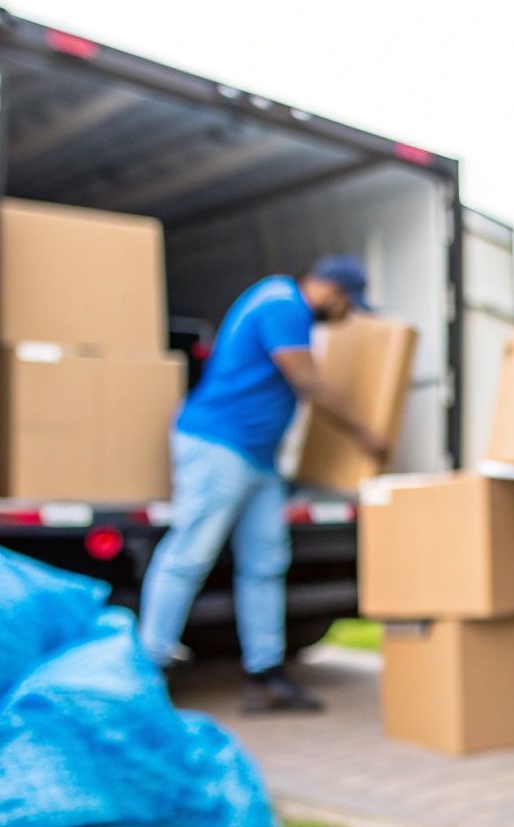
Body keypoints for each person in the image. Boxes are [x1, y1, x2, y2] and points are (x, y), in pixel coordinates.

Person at [138, 255, 387, 713]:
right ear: (333, 292)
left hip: (258, 459)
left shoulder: (286, 305)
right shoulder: (282, 304)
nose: (345, 316)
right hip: (219, 445)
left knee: (266, 562)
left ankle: (266, 674)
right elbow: (306, 380)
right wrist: (365, 433)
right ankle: (147, 670)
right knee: (189, 555)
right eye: (347, 306)